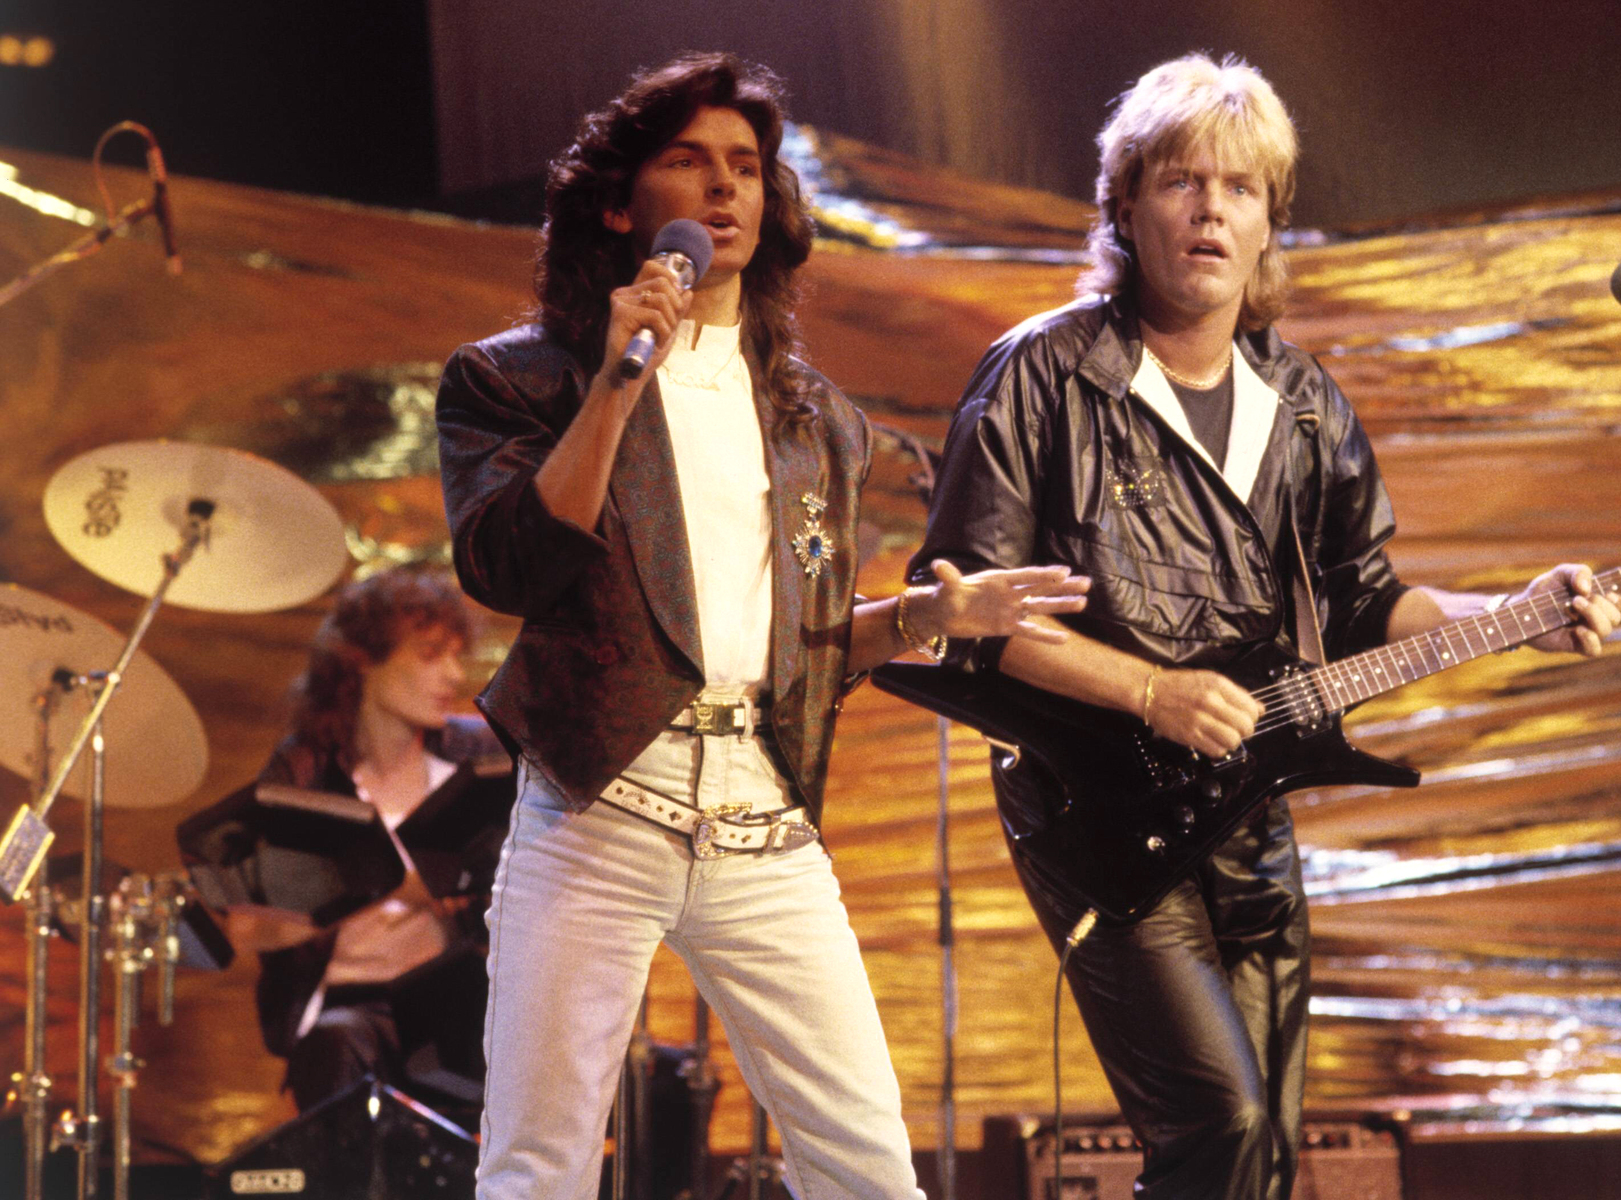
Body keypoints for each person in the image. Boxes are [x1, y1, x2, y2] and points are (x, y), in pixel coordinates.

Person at [906, 54, 1621, 1199]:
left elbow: (1365, 599)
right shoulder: (1041, 373)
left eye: (1238, 188)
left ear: (1267, 223)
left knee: (1267, 1157)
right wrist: (1151, 692)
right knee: (1224, 1124)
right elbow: (967, 614)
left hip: (1248, 810)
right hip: (1096, 808)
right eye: (1181, 182)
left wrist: (1511, 615)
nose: (1210, 210)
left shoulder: (1302, 405)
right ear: (1125, 206)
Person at [434, 52, 1087, 1200]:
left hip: (762, 818)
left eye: (745, 165)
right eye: (690, 161)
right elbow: (511, 568)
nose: (724, 186)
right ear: (619, 203)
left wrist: (927, 615)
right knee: (538, 1170)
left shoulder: (815, 419)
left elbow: (807, 651)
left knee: (869, 1170)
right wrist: (617, 378)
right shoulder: (518, 379)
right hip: (598, 812)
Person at [223, 565, 501, 1114]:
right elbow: (248, 927)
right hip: (346, 1008)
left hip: (452, 1001)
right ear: (364, 660)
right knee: (338, 1044)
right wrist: (383, 885)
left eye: (455, 656)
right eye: (429, 655)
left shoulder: (478, 755)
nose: (452, 674)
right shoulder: (304, 770)